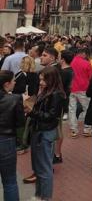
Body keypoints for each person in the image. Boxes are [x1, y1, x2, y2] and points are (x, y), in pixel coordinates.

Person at [28, 66, 66, 201]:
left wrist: (31, 111)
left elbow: (50, 116)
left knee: (44, 167)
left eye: (43, 80)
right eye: (40, 80)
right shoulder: (46, 91)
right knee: (39, 167)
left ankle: (45, 197)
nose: (41, 82)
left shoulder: (56, 94)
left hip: (45, 132)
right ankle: (39, 195)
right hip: (39, 130)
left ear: (51, 79)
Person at [0, 70, 25, 201]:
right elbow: (20, 122)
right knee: (9, 180)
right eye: (13, 80)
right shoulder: (15, 99)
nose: (15, 82)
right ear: (6, 84)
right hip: (6, 140)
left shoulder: (13, 98)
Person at [69, 48, 92, 138]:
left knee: (72, 109)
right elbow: (91, 77)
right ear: (83, 53)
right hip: (84, 88)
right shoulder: (87, 63)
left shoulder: (71, 62)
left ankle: (73, 130)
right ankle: (87, 129)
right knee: (87, 108)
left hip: (72, 88)